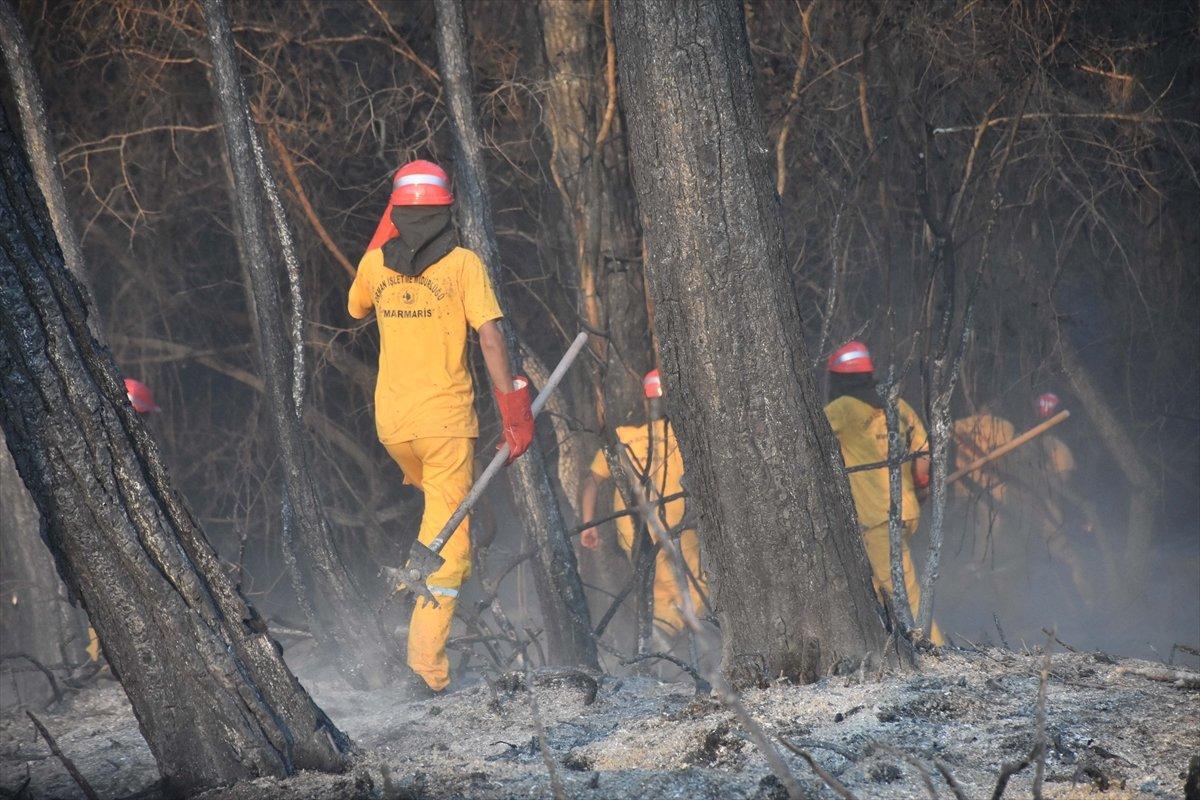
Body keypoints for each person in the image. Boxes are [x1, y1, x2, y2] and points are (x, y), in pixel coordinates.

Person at [348, 159, 533, 694]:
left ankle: (416, 608)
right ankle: (425, 674)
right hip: (446, 425)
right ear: (447, 211)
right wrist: (514, 409)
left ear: (397, 212)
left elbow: (354, 305)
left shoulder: (376, 267)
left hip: (394, 428)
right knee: (449, 547)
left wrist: (388, 225)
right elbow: (492, 338)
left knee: (443, 521)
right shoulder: (462, 264)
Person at [823, 341, 944, 645]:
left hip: (877, 519)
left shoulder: (842, 409)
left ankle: (936, 652)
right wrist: (920, 487)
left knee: (905, 595)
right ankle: (892, 652)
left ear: (838, 379)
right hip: (907, 512)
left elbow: (807, 435)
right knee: (878, 589)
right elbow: (924, 455)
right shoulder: (897, 406)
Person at [578, 369, 707, 640]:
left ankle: (660, 646)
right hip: (682, 526)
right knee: (698, 588)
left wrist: (588, 524)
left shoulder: (624, 437)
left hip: (634, 532)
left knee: (655, 589)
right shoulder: (687, 435)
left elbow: (591, 480)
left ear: (646, 401)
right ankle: (690, 648)